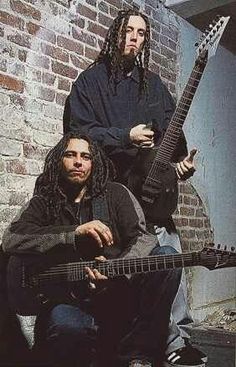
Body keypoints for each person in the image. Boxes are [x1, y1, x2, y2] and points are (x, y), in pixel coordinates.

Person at [63, 8, 207, 367]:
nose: (135, 38)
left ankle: (177, 339)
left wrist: (181, 167)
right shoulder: (90, 83)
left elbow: (173, 143)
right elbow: (78, 134)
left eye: (142, 34)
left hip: (151, 194)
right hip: (110, 195)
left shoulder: (153, 86)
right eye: (129, 31)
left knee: (169, 246)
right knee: (135, 263)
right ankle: (150, 343)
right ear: (115, 34)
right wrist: (124, 137)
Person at [2, 132, 183, 367]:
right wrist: (73, 235)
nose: (78, 161)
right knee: (66, 327)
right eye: (70, 154)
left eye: (85, 156)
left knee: (167, 257)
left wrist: (116, 272)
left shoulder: (116, 194)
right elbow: (12, 239)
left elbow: (144, 239)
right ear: (59, 160)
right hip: (67, 301)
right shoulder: (43, 202)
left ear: (93, 163)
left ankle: (138, 355)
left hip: (116, 296)